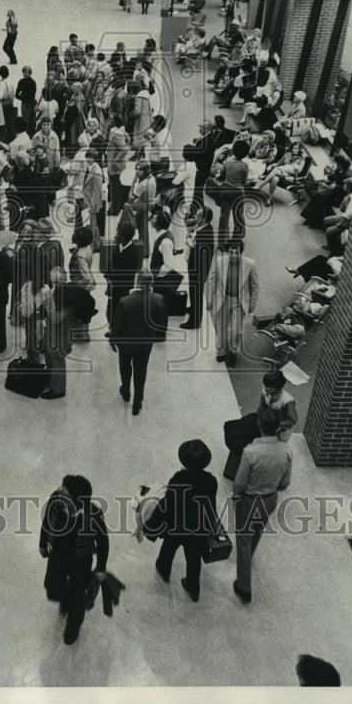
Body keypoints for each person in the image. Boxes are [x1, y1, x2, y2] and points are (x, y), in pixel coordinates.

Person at [39, 474, 109, 645]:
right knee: (52, 589)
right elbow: (47, 522)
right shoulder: (55, 500)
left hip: (81, 560)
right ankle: (66, 594)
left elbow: (103, 542)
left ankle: (73, 629)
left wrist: (100, 568)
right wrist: (42, 544)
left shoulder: (93, 514)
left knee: (78, 598)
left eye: (65, 492)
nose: (59, 492)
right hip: (57, 555)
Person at [232, 409, 293, 604]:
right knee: (258, 530)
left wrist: (236, 495)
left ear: (259, 426)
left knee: (243, 538)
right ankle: (248, 558)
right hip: (269, 499)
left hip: (249, 500)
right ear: (277, 428)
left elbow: (240, 483)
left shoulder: (250, 452)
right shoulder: (286, 451)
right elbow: (285, 483)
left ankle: (244, 586)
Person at [153, 440, 218, 601]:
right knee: (194, 558)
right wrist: (212, 524)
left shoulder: (178, 478)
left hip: (177, 525)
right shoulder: (210, 481)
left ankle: (163, 569)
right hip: (197, 527)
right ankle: (193, 588)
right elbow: (210, 505)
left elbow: (168, 504)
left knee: (168, 548)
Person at [110, 269, 168, 416]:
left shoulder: (124, 301)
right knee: (141, 369)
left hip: (126, 343)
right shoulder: (159, 299)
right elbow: (162, 323)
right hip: (145, 343)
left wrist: (113, 340)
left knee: (125, 367)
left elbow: (117, 325)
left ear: (137, 282)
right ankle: (138, 401)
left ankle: (125, 391)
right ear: (151, 283)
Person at [204, 237, 259, 367]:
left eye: (237, 252)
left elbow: (255, 286)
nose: (234, 256)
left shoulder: (250, 264)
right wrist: (209, 299)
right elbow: (211, 281)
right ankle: (221, 351)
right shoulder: (219, 261)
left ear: (241, 251)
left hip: (239, 302)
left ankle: (233, 352)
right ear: (228, 251)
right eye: (231, 252)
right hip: (222, 300)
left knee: (235, 331)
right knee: (221, 328)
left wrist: (252, 304)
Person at [39, 266, 76, 400]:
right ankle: (51, 379)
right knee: (50, 356)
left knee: (57, 358)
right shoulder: (57, 291)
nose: (53, 284)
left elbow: (55, 319)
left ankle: (58, 389)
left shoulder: (67, 297)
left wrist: (46, 301)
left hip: (60, 333)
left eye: (55, 281)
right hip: (53, 332)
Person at [181, 205, 216, 329]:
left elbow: (200, 250)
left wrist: (190, 243)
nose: (195, 217)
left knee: (196, 293)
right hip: (195, 265)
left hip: (198, 269)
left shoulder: (206, 233)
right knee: (193, 291)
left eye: (198, 215)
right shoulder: (202, 227)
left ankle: (194, 321)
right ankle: (193, 308)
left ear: (204, 218)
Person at [217, 139, 250, 243]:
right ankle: (237, 238)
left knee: (224, 215)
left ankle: (222, 240)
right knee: (238, 215)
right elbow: (243, 182)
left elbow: (222, 173)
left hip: (225, 189)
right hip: (237, 192)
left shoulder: (228, 160)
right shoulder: (244, 166)